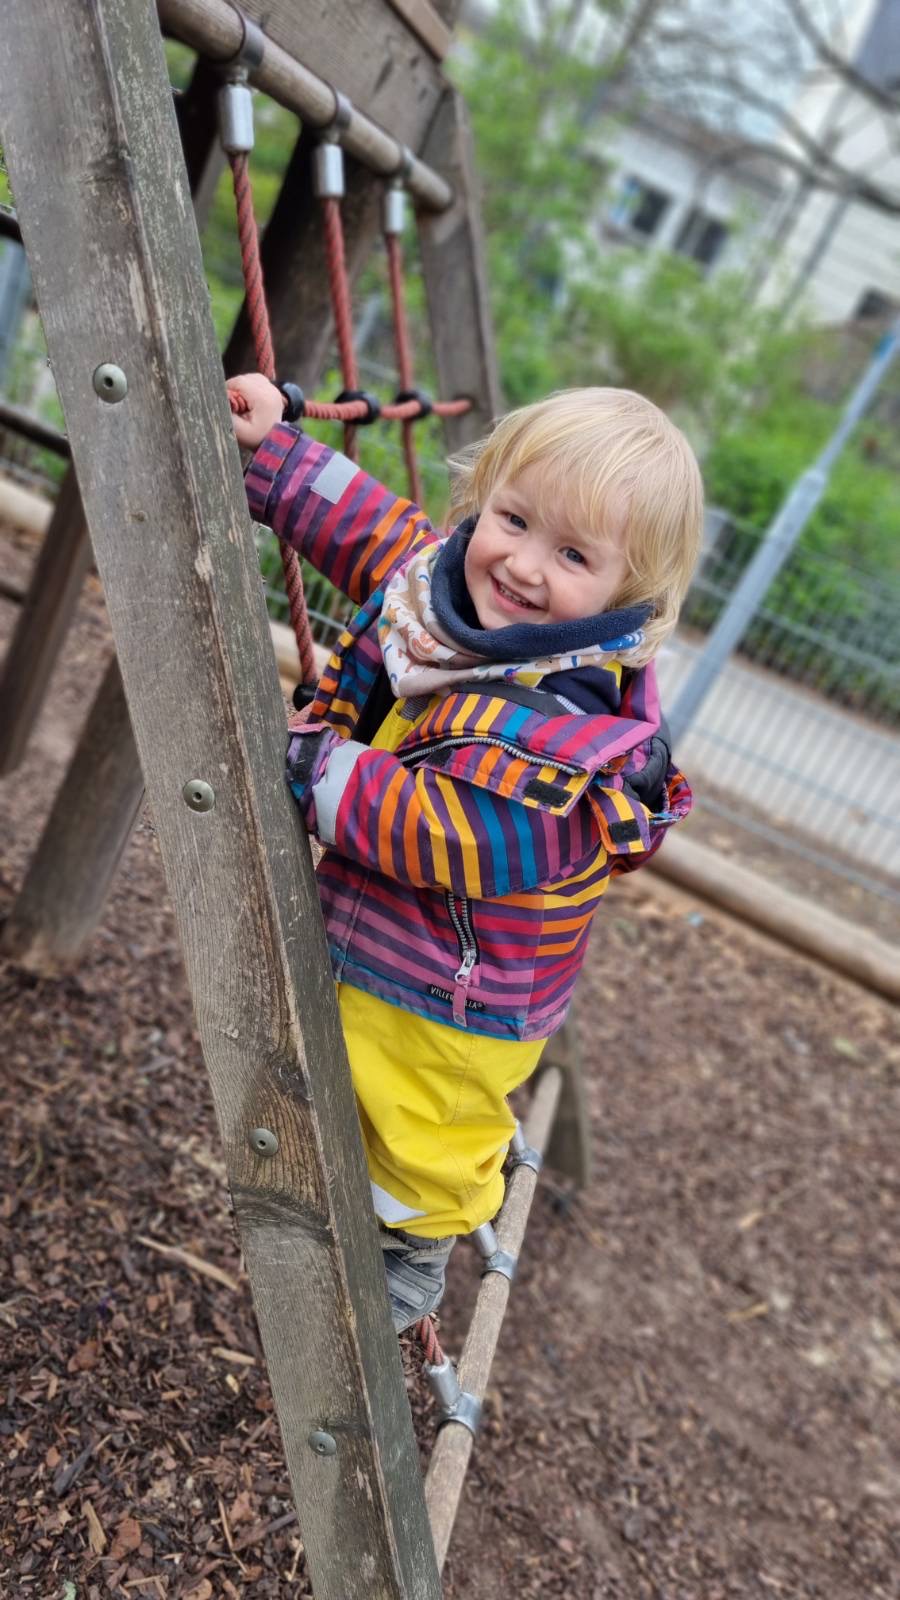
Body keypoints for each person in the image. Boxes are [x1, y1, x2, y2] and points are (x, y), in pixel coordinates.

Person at [228, 376, 703, 1331]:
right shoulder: (457, 595)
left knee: (423, 1129)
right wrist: (276, 456)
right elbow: (379, 534)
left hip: (458, 997)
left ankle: (416, 1246)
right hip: (397, 943)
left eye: (572, 554)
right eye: (514, 519)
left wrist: (314, 765)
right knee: (347, 1081)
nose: (523, 564)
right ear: (483, 497)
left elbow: (442, 829)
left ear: (629, 594)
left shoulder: (565, 727)